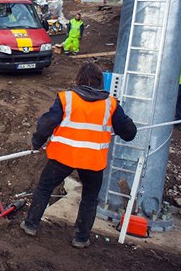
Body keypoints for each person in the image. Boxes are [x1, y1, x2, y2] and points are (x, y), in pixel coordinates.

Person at [20, 62, 137, 248]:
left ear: (78, 79)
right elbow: (129, 133)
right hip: (93, 161)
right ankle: (81, 238)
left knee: (44, 188)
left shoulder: (66, 99)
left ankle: (31, 224)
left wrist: (37, 142)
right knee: (89, 199)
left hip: (63, 156)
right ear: (101, 81)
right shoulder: (111, 104)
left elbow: (46, 124)